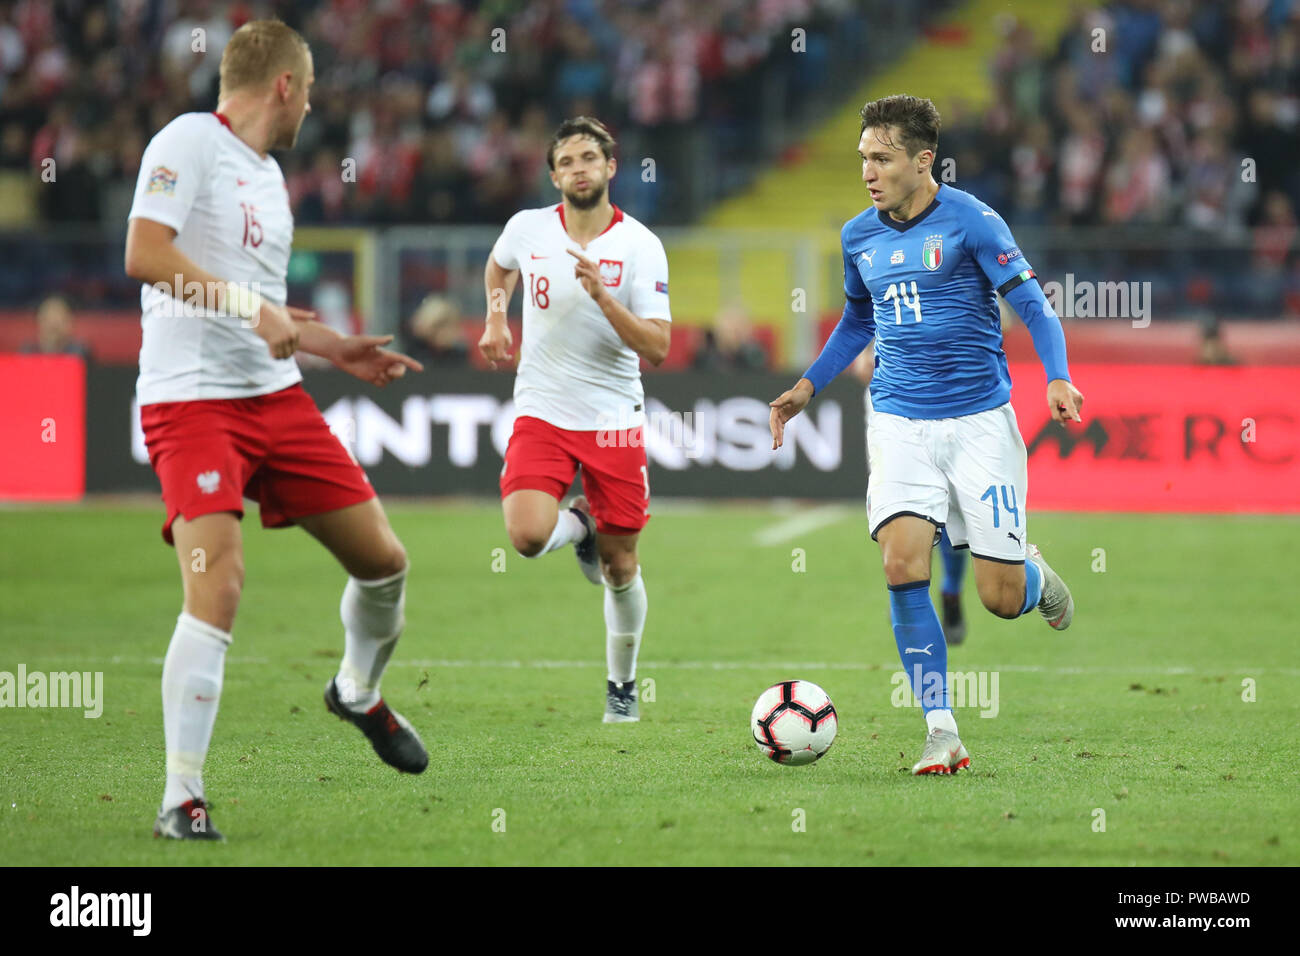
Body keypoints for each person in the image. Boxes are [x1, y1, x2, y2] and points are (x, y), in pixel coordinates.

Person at [124, 20, 427, 842]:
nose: (313, 105)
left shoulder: (268, 176)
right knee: (217, 583)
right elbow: (145, 254)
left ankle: (356, 692)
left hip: (278, 398)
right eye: (313, 87)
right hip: (193, 404)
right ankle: (180, 797)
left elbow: (262, 307)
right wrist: (249, 308)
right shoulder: (189, 139)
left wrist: (333, 345)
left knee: (385, 564)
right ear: (285, 85)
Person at [769, 95, 1084, 775]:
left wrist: (1056, 377)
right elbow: (859, 319)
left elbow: (1032, 302)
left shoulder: (973, 221)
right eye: (863, 158)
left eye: (881, 158)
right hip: (899, 420)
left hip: (978, 425)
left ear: (923, 160)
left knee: (1000, 600)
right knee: (901, 563)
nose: (868, 171)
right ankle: (942, 732)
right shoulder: (859, 235)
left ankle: (1036, 576)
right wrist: (807, 386)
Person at [479, 116, 671, 723]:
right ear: (554, 174)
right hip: (542, 408)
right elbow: (499, 265)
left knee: (620, 568)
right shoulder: (528, 228)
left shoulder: (639, 245)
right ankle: (578, 530)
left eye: (590, 157)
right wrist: (494, 318)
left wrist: (603, 297)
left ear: (611, 168)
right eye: (566, 161)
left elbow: (659, 348)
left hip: (613, 418)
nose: (579, 169)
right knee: (528, 536)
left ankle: (622, 686)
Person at [851, 347, 968, 645]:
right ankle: (911, 592)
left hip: (947, 407)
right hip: (891, 412)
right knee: (905, 510)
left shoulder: (958, 301)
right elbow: (859, 341)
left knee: (951, 515)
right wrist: (865, 357)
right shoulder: (879, 301)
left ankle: (951, 592)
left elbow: (1000, 323)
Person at [21, 294, 92, 360]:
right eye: (49, 318)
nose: (53, 323)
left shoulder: (79, 354)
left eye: (59, 318)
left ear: (69, 323)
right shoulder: (28, 353)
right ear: (39, 321)